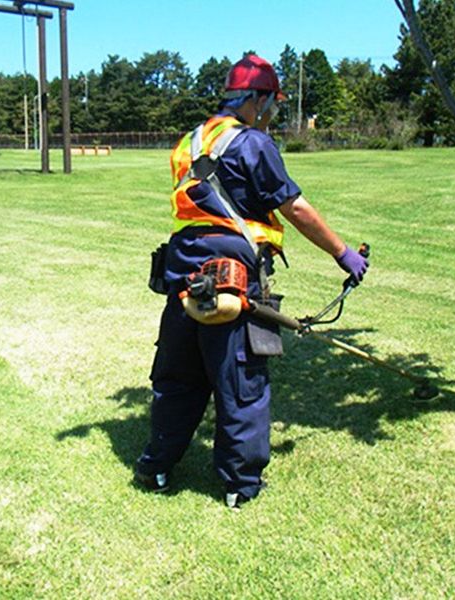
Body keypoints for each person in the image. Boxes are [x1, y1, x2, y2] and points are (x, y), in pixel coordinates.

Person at [135, 54, 368, 508]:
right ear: (256, 99)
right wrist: (342, 254)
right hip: (232, 278)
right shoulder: (253, 144)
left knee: (177, 375)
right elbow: (294, 208)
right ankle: (241, 485)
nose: (274, 115)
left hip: (182, 273)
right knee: (240, 381)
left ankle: (156, 464)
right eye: (274, 105)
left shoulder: (189, 142)